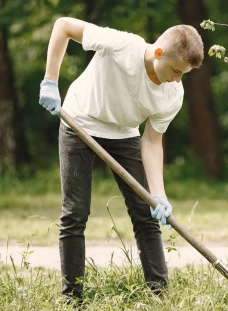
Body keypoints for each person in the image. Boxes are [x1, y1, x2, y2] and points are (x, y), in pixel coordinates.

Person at [38, 17, 204, 302]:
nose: (178, 79)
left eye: (183, 74)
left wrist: (159, 194)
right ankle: (72, 299)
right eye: (176, 70)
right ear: (159, 53)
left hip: (124, 133)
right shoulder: (121, 45)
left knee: (146, 214)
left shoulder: (173, 93)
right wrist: (50, 81)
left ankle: (158, 293)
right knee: (75, 213)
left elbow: (151, 141)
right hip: (79, 122)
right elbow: (63, 26)